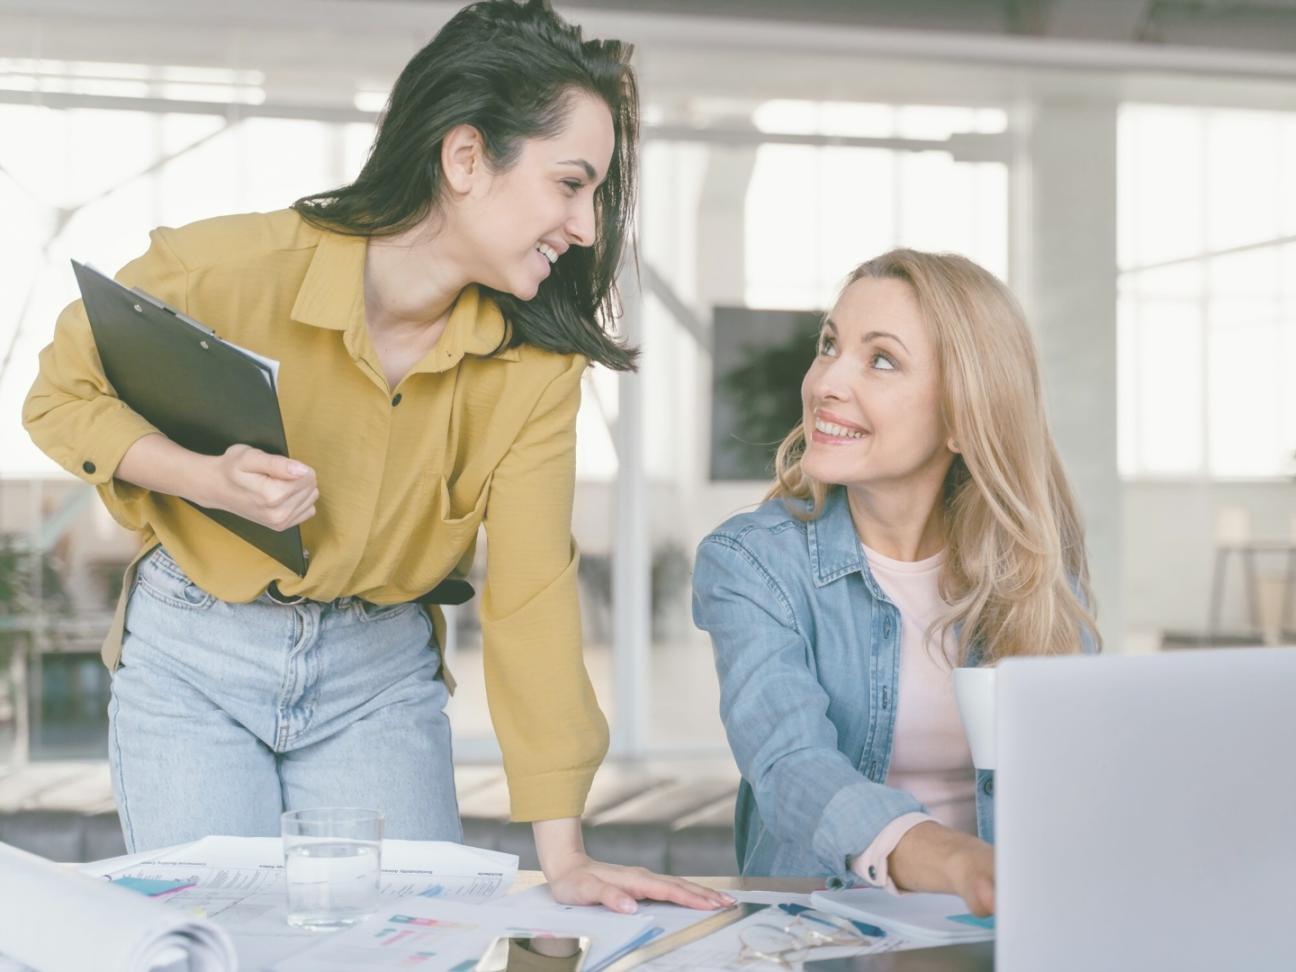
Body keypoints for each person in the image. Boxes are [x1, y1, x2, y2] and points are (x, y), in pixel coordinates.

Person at [24, 0, 729, 914]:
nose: (587, 227)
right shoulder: (225, 270)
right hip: (193, 659)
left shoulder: (536, 370)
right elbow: (59, 395)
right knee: (214, 945)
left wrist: (567, 857)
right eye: (570, 184)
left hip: (378, 682)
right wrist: (202, 478)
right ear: (466, 157)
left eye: (595, 194)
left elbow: (530, 596)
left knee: (406, 943)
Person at [691, 249, 1098, 916]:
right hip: (822, 931)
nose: (824, 382)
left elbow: (1081, 774)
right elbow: (791, 764)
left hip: (1003, 929)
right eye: (830, 345)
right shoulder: (751, 562)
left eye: (880, 359)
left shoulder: (1035, 563)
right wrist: (960, 861)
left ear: (965, 416)